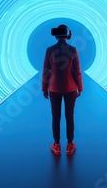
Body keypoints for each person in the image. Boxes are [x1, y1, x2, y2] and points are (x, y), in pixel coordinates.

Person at [42, 24, 83, 156]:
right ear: (68, 35)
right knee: (69, 116)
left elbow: (46, 71)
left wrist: (44, 88)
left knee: (56, 116)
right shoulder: (73, 49)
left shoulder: (49, 50)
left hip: (54, 88)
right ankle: (70, 145)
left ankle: (57, 145)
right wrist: (80, 87)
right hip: (71, 88)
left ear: (56, 35)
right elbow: (77, 71)